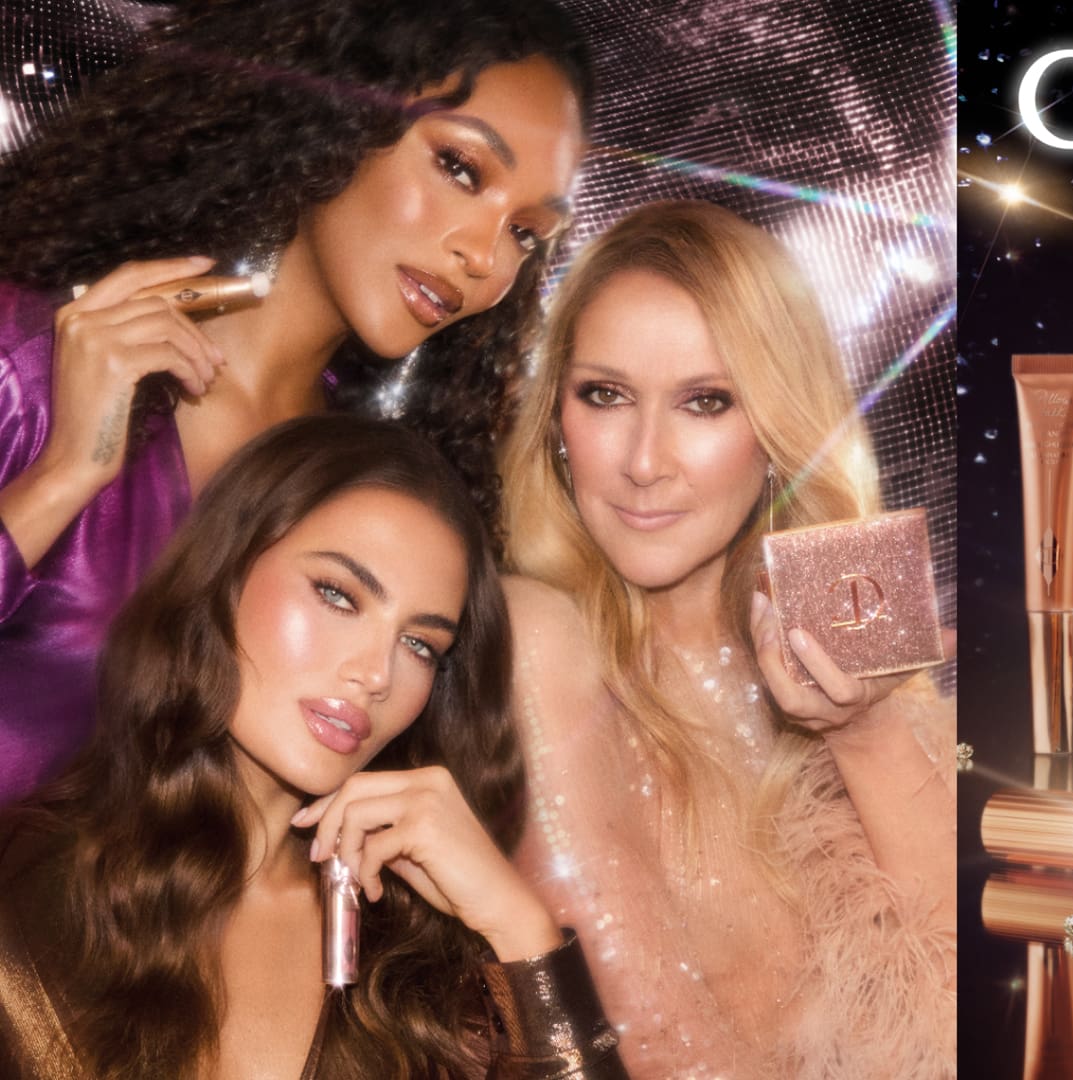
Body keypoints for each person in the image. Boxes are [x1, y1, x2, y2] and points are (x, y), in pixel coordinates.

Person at [0, 0, 591, 801]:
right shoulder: (29, 354)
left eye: (526, 233)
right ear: (338, 111)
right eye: (460, 168)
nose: (483, 258)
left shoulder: (367, 501)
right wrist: (66, 472)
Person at [0, 415, 626, 1080]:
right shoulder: (23, 890)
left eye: (420, 645)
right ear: (226, 571)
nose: (376, 674)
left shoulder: (428, 960)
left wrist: (520, 926)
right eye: (338, 594)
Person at [498, 200, 957, 1078]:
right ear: (557, 419)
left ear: (777, 431)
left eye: (705, 402)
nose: (643, 459)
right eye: (605, 395)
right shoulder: (537, 637)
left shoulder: (840, 647)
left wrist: (865, 731)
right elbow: (654, 1039)